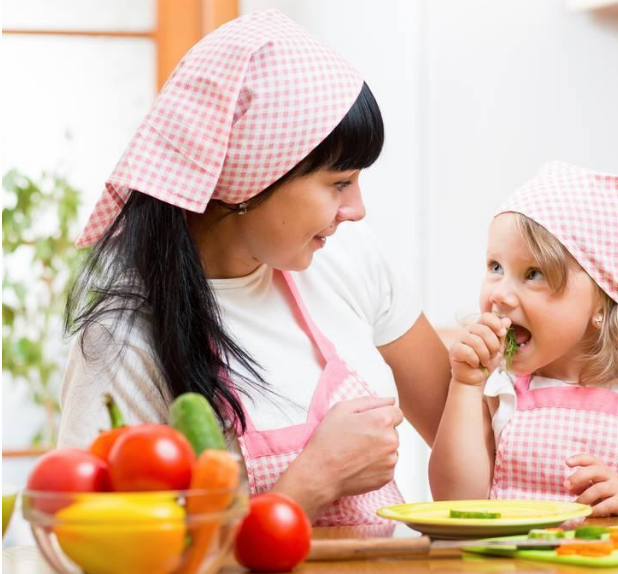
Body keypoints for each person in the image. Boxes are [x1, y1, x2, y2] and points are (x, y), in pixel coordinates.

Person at [58, 10, 450, 525]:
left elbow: (465, 440)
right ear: (253, 176)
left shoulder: (349, 256)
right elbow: (111, 551)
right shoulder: (125, 342)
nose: (357, 209)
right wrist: (314, 478)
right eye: (339, 183)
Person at [429, 161, 618, 516]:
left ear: (602, 301)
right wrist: (465, 384)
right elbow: (454, 504)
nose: (499, 294)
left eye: (534, 274)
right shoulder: (496, 388)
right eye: (495, 267)